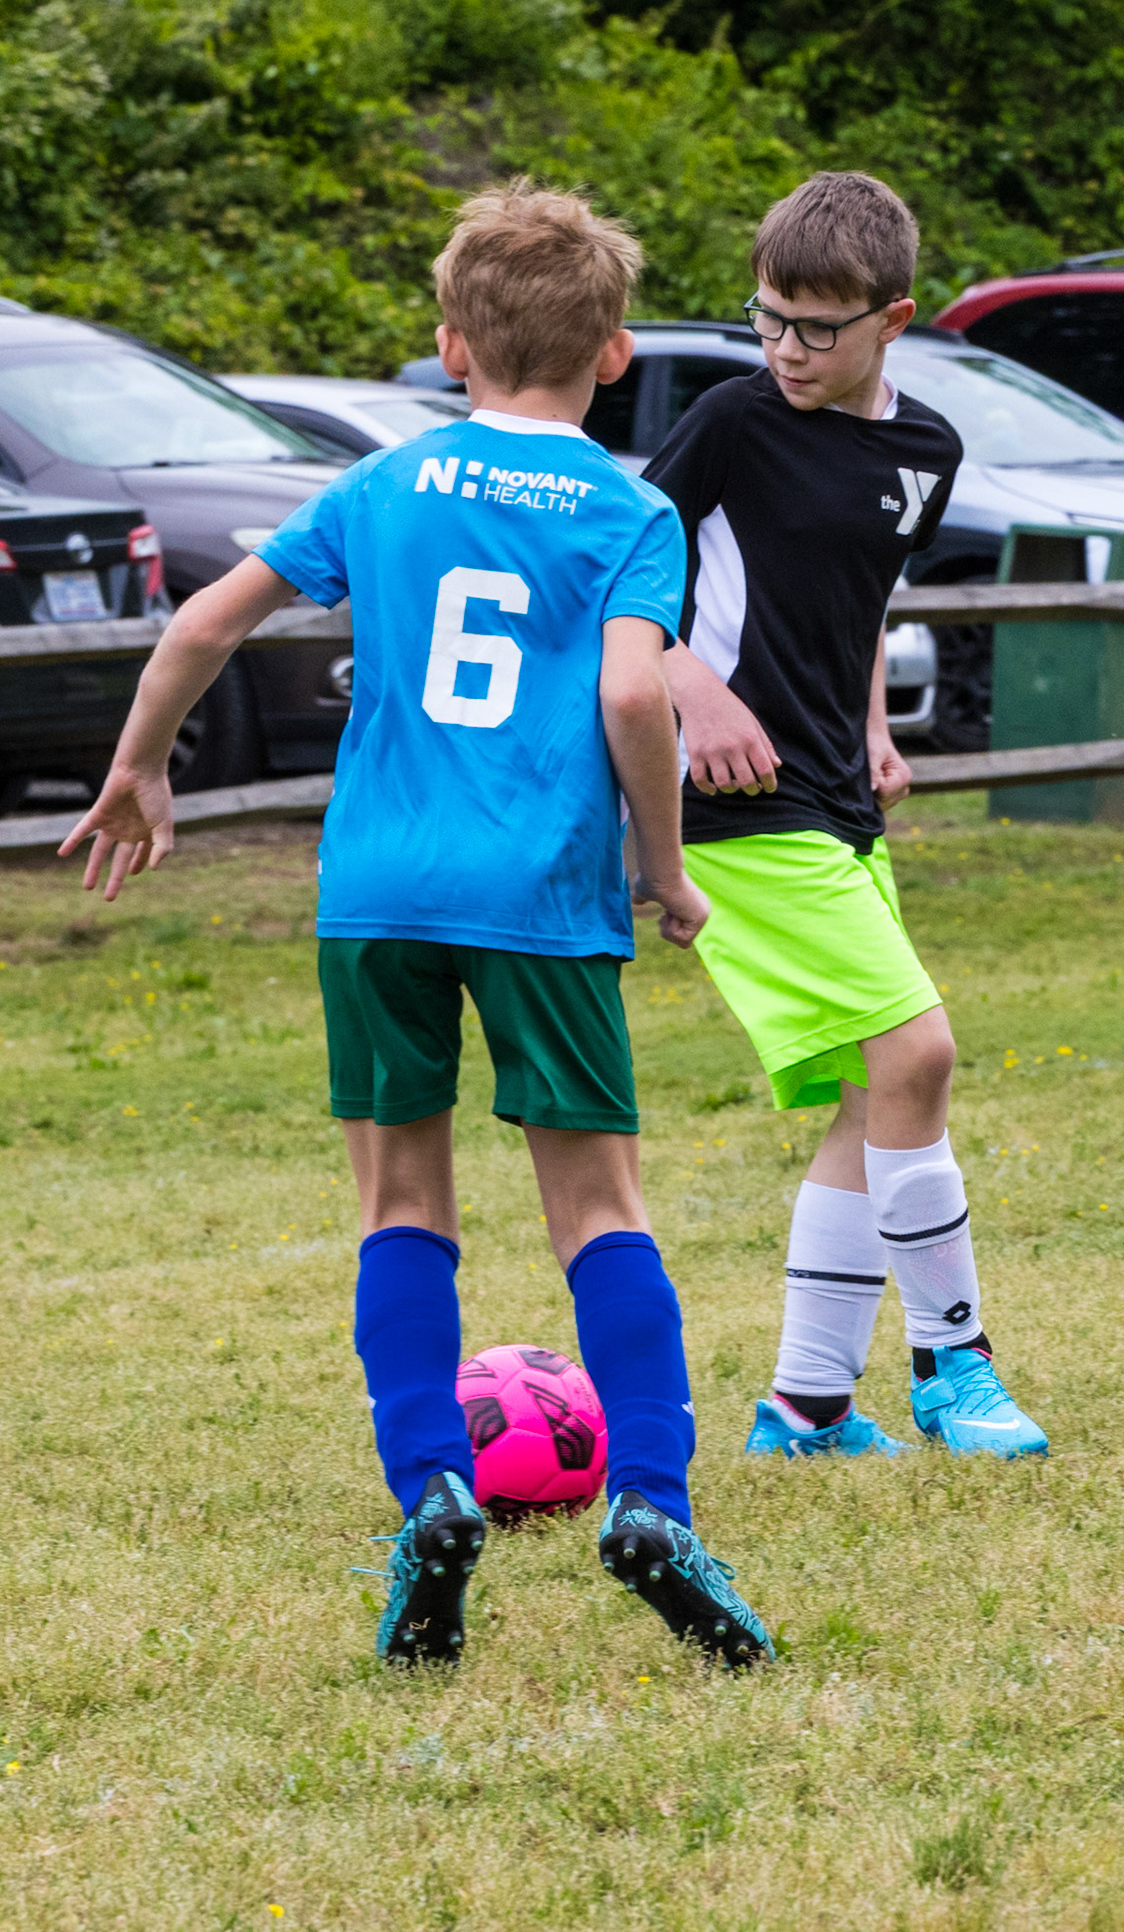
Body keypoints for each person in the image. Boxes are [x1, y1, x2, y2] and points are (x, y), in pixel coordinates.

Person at [59, 182, 773, 1671]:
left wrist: (139, 770)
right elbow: (633, 691)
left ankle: (432, 1488)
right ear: (617, 354)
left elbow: (203, 622)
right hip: (540, 898)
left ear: (451, 346)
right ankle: (652, 1503)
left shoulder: (380, 485)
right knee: (601, 1213)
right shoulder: (632, 512)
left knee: (401, 1204)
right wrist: (665, 866)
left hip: (377, 890)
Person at [643, 171, 1047, 1462]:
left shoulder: (927, 453)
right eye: (767, 319)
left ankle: (807, 1406)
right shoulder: (730, 423)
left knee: (871, 1097)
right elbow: (609, 580)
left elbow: (861, 600)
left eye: (816, 328)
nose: (786, 349)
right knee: (917, 1056)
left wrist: (873, 723)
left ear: (894, 320)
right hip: (732, 804)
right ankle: (954, 1365)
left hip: (835, 797)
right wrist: (690, 684)